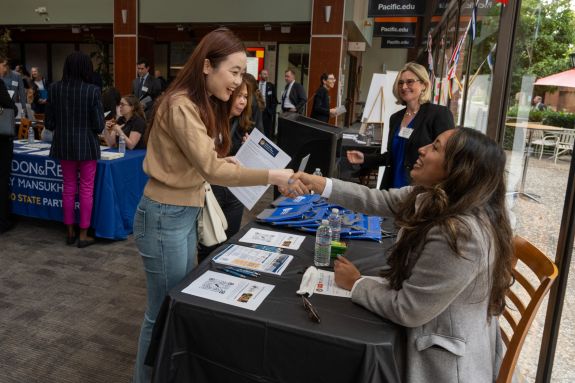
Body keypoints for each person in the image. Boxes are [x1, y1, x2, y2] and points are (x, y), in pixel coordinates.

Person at [131, 28, 305, 383]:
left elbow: (205, 161)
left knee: (171, 307)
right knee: (162, 311)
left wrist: (230, 164)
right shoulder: (180, 104)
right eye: (236, 72)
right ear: (208, 66)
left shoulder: (196, 104)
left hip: (178, 214)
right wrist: (273, 175)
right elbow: (209, 168)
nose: (239, 84)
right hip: (164, 217)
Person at [287, 127, 513, 383]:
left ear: (459, 170)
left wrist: (356, 283)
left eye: (435, 147)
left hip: (441, 367)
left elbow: (409, 309)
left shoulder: (461, 234)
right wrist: (317, 183)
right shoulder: (435, 197)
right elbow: (375, 199)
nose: (422, 149)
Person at [347, 62, 454, 190]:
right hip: (391, 188)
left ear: (424, 85)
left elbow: (448, 157)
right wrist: (364, 158)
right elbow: (392, 156)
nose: (404, 87)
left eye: (410, 82)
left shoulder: (439, 114)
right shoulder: (395, 118)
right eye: (400, 83)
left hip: (420, 189)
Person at [44, 51, 105, 248]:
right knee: (86, 189)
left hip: (63, 145)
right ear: (87, 68)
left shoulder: (54, 89)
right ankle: (83, 234)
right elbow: (98, 125)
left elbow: (49, 123)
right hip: (86, 146)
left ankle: (69, 232)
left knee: (68, 188)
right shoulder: (93, 91)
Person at [197, 76, 255, 262]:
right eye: (239, 95)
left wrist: (249, 148)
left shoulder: (242, 125)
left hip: (235, 191)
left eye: (246, 97)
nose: (242, 101)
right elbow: (203, 158)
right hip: (211, 189)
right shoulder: (208, 120)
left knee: (229, 243)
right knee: (208, 244)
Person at [0, 54, 17, 234]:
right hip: (2, 140)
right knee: (2, 178)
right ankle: (3, 221)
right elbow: (10, 106)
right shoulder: (0, 84)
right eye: (3, 65)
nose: (5, 70)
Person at [258, 69, 278, 138]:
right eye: (264, 74)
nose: (266, 76)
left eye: (267, 74)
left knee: (267, 131)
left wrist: (271, 111)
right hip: (257, 111)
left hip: (267, 112)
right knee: (257, 129)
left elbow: (274, 100)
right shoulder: (255, 84)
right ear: (260, 75)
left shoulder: (271, 86)